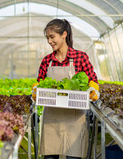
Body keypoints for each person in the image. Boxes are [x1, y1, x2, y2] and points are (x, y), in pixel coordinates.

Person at [32, 19, 99, 159]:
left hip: (74, 120)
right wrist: (35, 91)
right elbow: (39, 83)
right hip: (51, 120)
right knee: (50, 157)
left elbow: (93, 80)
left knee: (73, 157)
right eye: (47, 38)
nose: (49, 41)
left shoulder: (80, 57)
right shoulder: (47, 60)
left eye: (52, 37)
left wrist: (92, 91)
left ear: (63, 34)